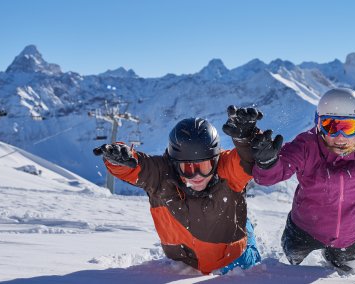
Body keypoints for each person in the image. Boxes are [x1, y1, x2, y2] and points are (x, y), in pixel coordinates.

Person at [250, 88, 355, 271]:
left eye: (349, 127)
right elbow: (274, 173)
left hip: (350, 238)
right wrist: (268, 163)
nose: (340, 137)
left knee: (345, 275)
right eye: (331, 126)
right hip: (303, 231)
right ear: (319, 124)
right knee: (291, 270)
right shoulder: (306, 145)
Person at [93, 107, 263, 275]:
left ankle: (245, 225)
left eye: (204, 166)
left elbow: (245, 161)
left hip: (234, 261)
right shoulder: (161, 176)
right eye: (188, 168)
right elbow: (138, 167)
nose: (197, 176)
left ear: (215, 160)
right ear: (175, 164)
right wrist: (119, 159)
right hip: (184, 264)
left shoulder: (226, 171)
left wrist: (246, 140)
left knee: (246, 241)